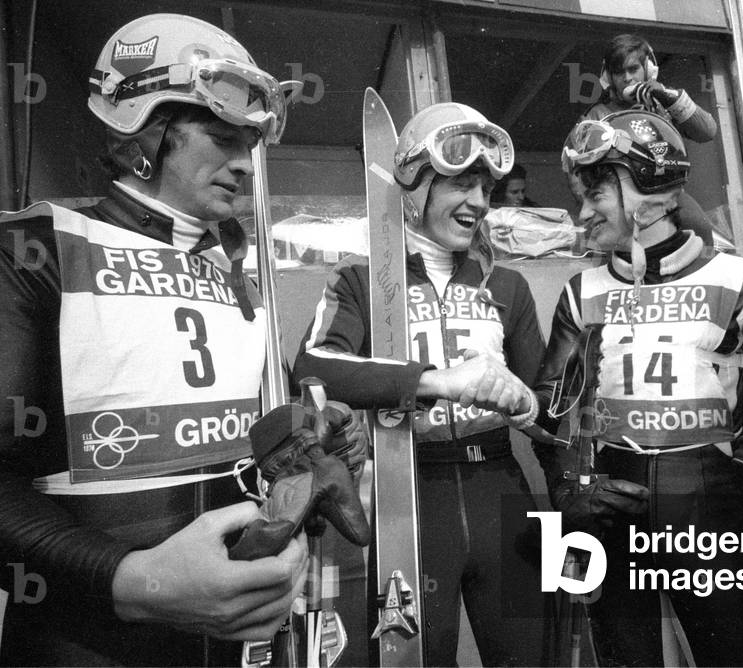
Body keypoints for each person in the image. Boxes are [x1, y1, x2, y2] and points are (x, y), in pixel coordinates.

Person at [0, 14, 368, 665]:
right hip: (86, 642)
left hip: (233, 635)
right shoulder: (37, 248)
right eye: (222, 136)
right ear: (143, 129)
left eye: (250, 142)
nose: (243, 161)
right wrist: (132, 582)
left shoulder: (236, 273)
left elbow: (261, 428)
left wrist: (308, 441)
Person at [533, 110, 743, 666]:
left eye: (595, 192)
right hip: (612, 500)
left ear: (646, 190)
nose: (583, 211)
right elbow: (552, 409)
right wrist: (569, 491)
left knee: (741, 655)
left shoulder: (740, 277)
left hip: (714, 497)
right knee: (624, 656)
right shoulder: (581, 288)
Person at [293, 102, 549, 666]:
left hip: (503, 490)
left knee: (533, 655)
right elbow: (313, 366)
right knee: (416, 658)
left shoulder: (508, 285)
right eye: (461, 183)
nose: (479, 202)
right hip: (409, 492)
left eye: (486, 187)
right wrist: (439, 382)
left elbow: (549, 407)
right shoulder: (361, 278)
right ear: (414, 185)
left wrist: (529, 403)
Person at [584, 34, 718, 246]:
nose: (627, 78)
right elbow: (578, 175)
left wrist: (667, 96)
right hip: (620, 203)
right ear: (609, 78)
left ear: (648, 69)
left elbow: (707, 131)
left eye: (633, 69)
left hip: (668, 196)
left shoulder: (663, 101)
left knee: (699, 228)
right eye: (619, 73)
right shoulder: (598, 115)